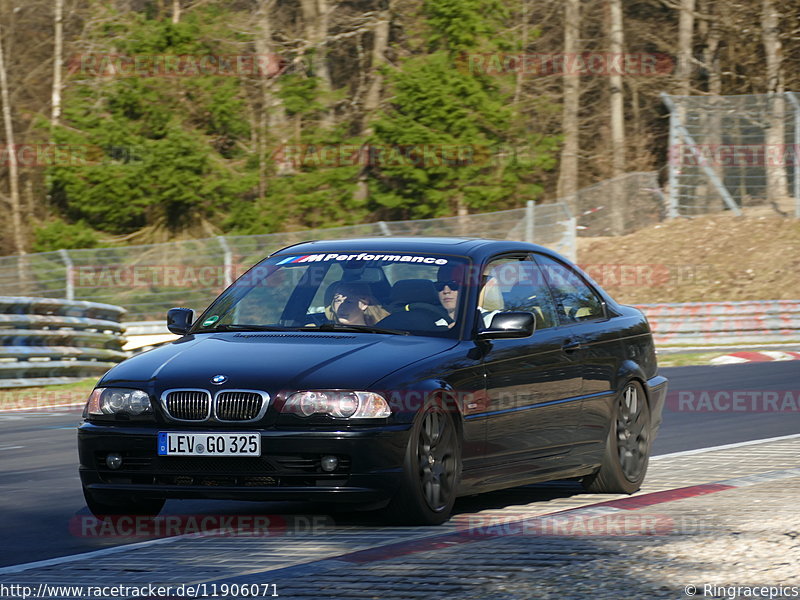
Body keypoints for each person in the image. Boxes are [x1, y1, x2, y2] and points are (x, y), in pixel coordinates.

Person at [324, 282, 389, 326]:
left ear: (364, 304)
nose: (341, 307)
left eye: (348, 302)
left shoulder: (383, 334)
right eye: (338, 300)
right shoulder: (320, 331)